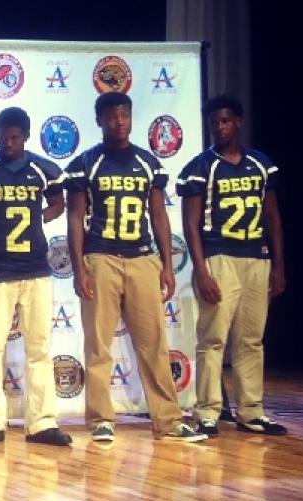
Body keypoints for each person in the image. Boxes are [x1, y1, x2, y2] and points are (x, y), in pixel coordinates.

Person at [64, 92, 205, 443]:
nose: (119, 122)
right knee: (99, 345)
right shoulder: (86, 163)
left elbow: (158, 215)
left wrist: (167, 265)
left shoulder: (147, 162)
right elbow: (75, 216)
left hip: (143, 257)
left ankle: (169, 420)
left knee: (154, 342)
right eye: (112, 117)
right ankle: (101, 419)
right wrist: (80, 268)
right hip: (101, 258)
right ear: (99, 121)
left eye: (125, 115)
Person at [0, 107, 72, 447]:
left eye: (15, 137)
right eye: (3, 137)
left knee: (39, 347)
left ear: (25, 136)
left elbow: (58, 203)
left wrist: (38, 217)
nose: (8, 143)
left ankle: (41, 422)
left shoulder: (42, 169)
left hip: (36, 267)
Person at [176, 94, 287, 437]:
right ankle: (208, 411)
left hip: (257, 256)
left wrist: (279, 265)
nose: (219, 128)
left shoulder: (260, 163)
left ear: (238, 121)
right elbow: (191, 223)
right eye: (213, 123)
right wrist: (202, 268)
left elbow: (272, 216)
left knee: (251, 339)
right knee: (213, 339)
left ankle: (251, 410)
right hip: (219, 255)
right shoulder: (200, 167)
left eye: (225, 121)